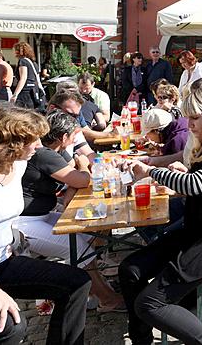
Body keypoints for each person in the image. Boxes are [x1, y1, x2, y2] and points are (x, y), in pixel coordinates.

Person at [121, 85, 202, 345]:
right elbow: (195, 183)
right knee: (129, 270)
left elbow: (196, 184)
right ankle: (141, 340)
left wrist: (151, 172)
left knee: (149, 304)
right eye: (187, 117)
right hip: (197, 230)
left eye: (194, 118)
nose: (188, 124)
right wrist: (174, 170)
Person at [0, 107, 91, 344]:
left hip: (1, 262)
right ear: (10, 144)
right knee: (10, 325)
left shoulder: (19, 165)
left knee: (77, 283)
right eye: (32, 140)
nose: (39, 145)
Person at [15, 110, 123, 311]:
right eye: (74, 135)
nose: (77, 139)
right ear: (64, 137)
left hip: (42, 215)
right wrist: (81, 168)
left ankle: (88, 291)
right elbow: (82, 178)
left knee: (87, 231)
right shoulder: (44, 154)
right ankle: (107, 299)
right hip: (24, 223)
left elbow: (74, 180)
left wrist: (73, 184)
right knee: (80, 248)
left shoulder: (55, 150)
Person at [10, 42, 41, 110]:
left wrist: (15, 95)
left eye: (16, 50)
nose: (14, 52)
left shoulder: (22, 61)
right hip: (33, 91)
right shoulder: (34, 63)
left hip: (25, 92)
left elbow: (23, 78)